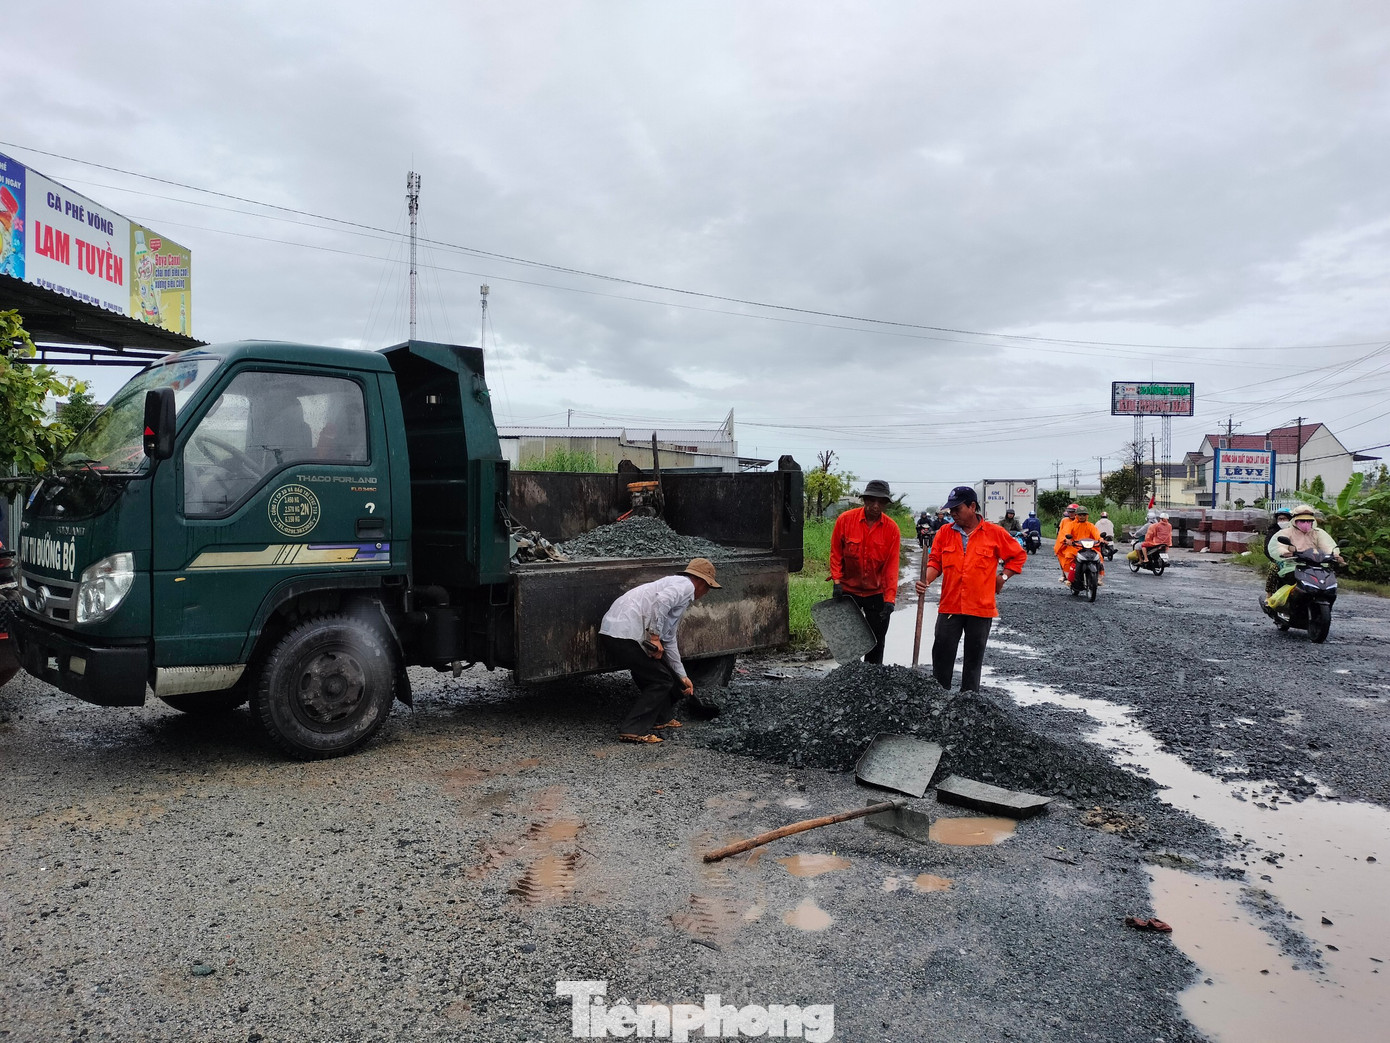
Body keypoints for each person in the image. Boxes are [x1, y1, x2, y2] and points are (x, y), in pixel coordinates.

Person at [915, 486, 1027, 691]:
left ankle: (969, 701)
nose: (953, 514)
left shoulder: (994, 533)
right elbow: (936, 562)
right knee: (941, 654)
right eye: (951, 510)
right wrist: (925, 580)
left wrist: (1003, 577)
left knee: (973, 660)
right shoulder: (944, 533)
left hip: (980, 607)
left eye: (957, 509)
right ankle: (939, 699)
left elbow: (1018, 556)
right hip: (950, 606)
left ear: (972, 506)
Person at [599, 558, 721, 744]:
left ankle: (662, 718)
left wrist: (682, 675)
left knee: (654, 673)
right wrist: (654, 637)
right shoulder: (685, 586)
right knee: (661, 680)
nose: (706, 592)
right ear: (701, 581)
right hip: (624, 633)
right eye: (708, 587)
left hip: (615, 632)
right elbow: (662, 601)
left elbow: (669, 639)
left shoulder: (676, 590)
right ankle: (633, 729)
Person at [829, 479, 901, 664]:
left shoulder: (892, 529)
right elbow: (836, 554)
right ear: (865, 500)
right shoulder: (845, 520)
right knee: (848, 641)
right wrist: (837, 582)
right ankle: (849, 675)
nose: (875, 506)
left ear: (885, 504)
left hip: (876, 592)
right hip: (848, 590)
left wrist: (890, 599)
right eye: (871, 500)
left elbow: (891, 567)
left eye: (880, 502)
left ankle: (872, 677)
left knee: (876, 642)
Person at [1267, 504, 1344, 596]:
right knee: (1276, 569)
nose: (1306, 523)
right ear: (1295, 520)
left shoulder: (1318, 533)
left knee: (1328, 584)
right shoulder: (1286, 532)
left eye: (1309, 521)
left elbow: (1327, 546)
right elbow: (1279, 545)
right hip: (1293, 565)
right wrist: (1285, 553)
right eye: (1302, 521)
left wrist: (1335, 555)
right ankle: (1270, 596)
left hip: (1317, 565)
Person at [1056, 505, 1103, 585]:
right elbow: (1065, 533)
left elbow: (1096, 534)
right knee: (1068, 556)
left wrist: (1100, 539)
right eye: (1080, 515)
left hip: (1089, 547)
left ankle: (1099, 578)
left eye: (1084, 515)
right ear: (1076, 515)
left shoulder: (1090, 525)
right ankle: (1069, 578)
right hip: (1074, 547)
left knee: (1099, 556)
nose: (1082, 517)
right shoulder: (1070, 524)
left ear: (1087, 516)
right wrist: (1067, 539)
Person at [1263, 508, 1294, 594]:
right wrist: (1276, 558)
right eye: (1280, 519)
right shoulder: (1272, 531)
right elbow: (1267, 548)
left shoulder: (1296, 531)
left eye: (1284, 519)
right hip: (1278, 558)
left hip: (1295, 559)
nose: (1282, 521)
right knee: (1273, 568)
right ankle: (1269, 594)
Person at [1053, 503, 1081, 581]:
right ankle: (1064, 574)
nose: (1071, 514)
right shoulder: (1064, 521)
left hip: (1079, 543)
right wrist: (1065, 540)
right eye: (1069, 512)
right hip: (1066, 543)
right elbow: (1061, 532)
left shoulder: (1081, 521)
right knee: (1062, 556)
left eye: (1073, 512)